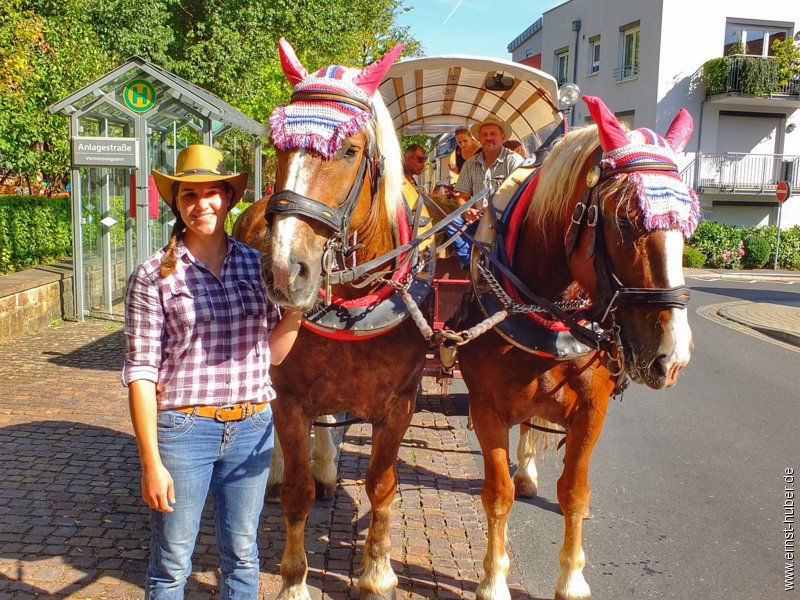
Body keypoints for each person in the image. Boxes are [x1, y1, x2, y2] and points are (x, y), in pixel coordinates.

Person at [122, 144, 302, 599]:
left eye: (211, 193)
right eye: (189, 196)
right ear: (177, 204)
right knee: (171, 563)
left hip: (253, 425)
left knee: (243, 555)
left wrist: (298, 310)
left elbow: (273, 355)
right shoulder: (153, 276)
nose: (202, 204)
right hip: (184, 430)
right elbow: (141, 373)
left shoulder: (256, 264)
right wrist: (151, 463)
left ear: (228, 198)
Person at [445, 115, 524, 269]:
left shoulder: (513, 161)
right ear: (479, 139)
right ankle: (470, 262)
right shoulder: (470, 164)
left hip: (504, 220)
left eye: (493, 134)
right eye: (484, 134)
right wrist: (467, 210)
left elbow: (520, 198)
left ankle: (503, 263)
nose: (488, 138)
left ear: (502, 136)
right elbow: (462, 197)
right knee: (451, 221)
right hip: (478, 218)